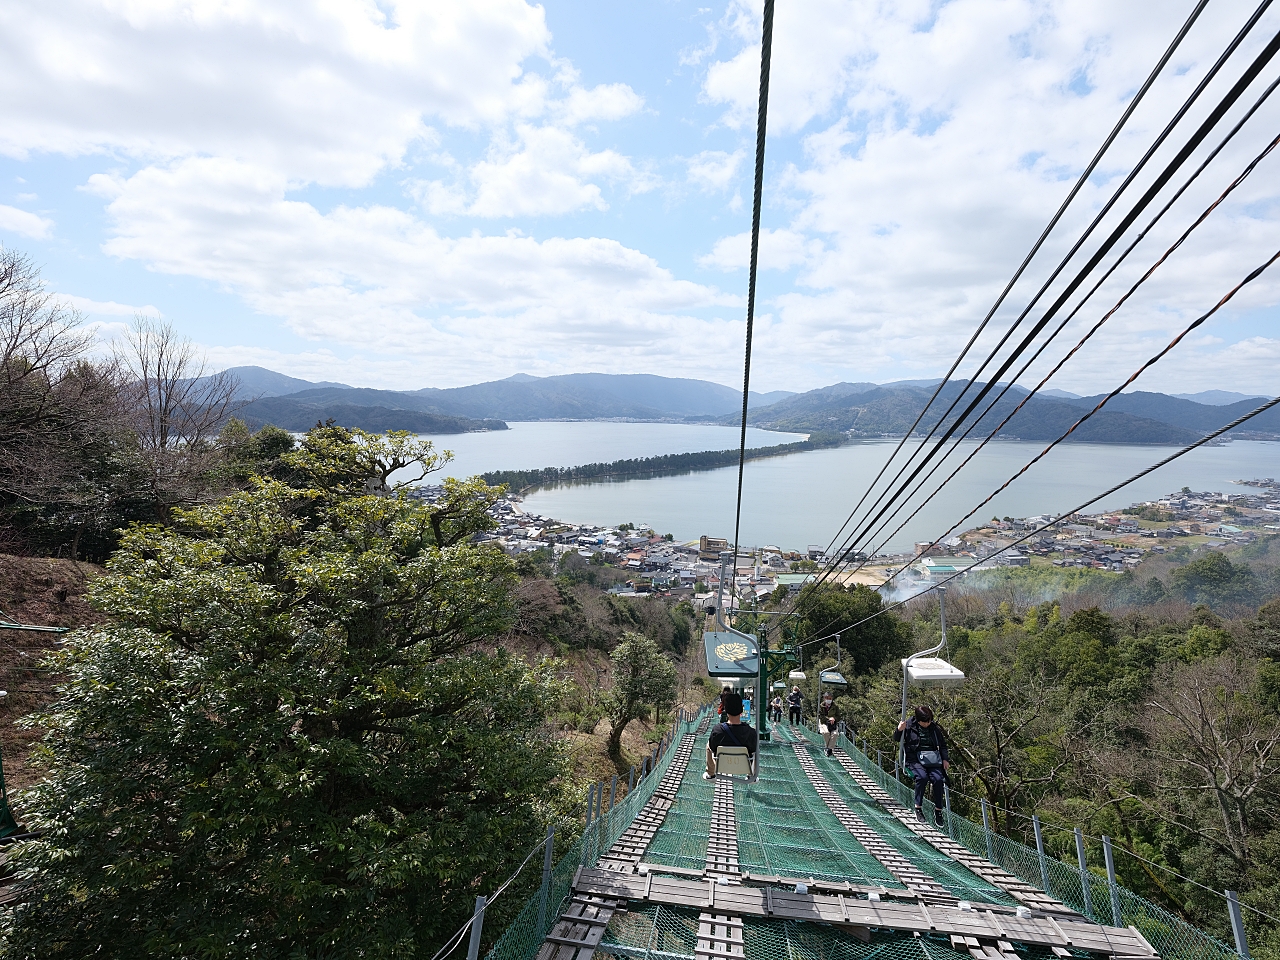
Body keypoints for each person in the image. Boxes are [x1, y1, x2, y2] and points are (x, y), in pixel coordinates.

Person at [894, 705, 950, 825]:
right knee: (922, 777)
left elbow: (943, 745)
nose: (927, 724)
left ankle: (938, 811)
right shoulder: (909, 725)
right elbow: (897, 739)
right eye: (925, 722)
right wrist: (899, 729)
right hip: (915, 759)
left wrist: (945, 759)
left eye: (929, 721)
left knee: (938, 779)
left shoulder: (934, 728)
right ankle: (918, 808)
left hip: (932, 759)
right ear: (918, 720)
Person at [705, 692, 759, 779]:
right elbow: (753, 750)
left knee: (708, 745)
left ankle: (711, 773)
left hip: (721, 766)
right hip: (744, 767)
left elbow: (712, 747)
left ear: (725, 710)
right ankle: (751, 775)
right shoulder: (751, 732)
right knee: (756, 749)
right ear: (741, 709)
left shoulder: (717, 730)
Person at [818, 692, 841, 757]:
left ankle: (828, 749)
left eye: (830, 698)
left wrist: (834, 718)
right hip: (824, 722)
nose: (829, 700)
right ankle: (829, 749)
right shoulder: (821, 706)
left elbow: (839, 716)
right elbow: (821, 716)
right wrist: (829, 719)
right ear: (824, 698)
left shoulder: (835, 707)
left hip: (833, 723)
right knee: (826, 733)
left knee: (835, 734)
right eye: (828, 698)